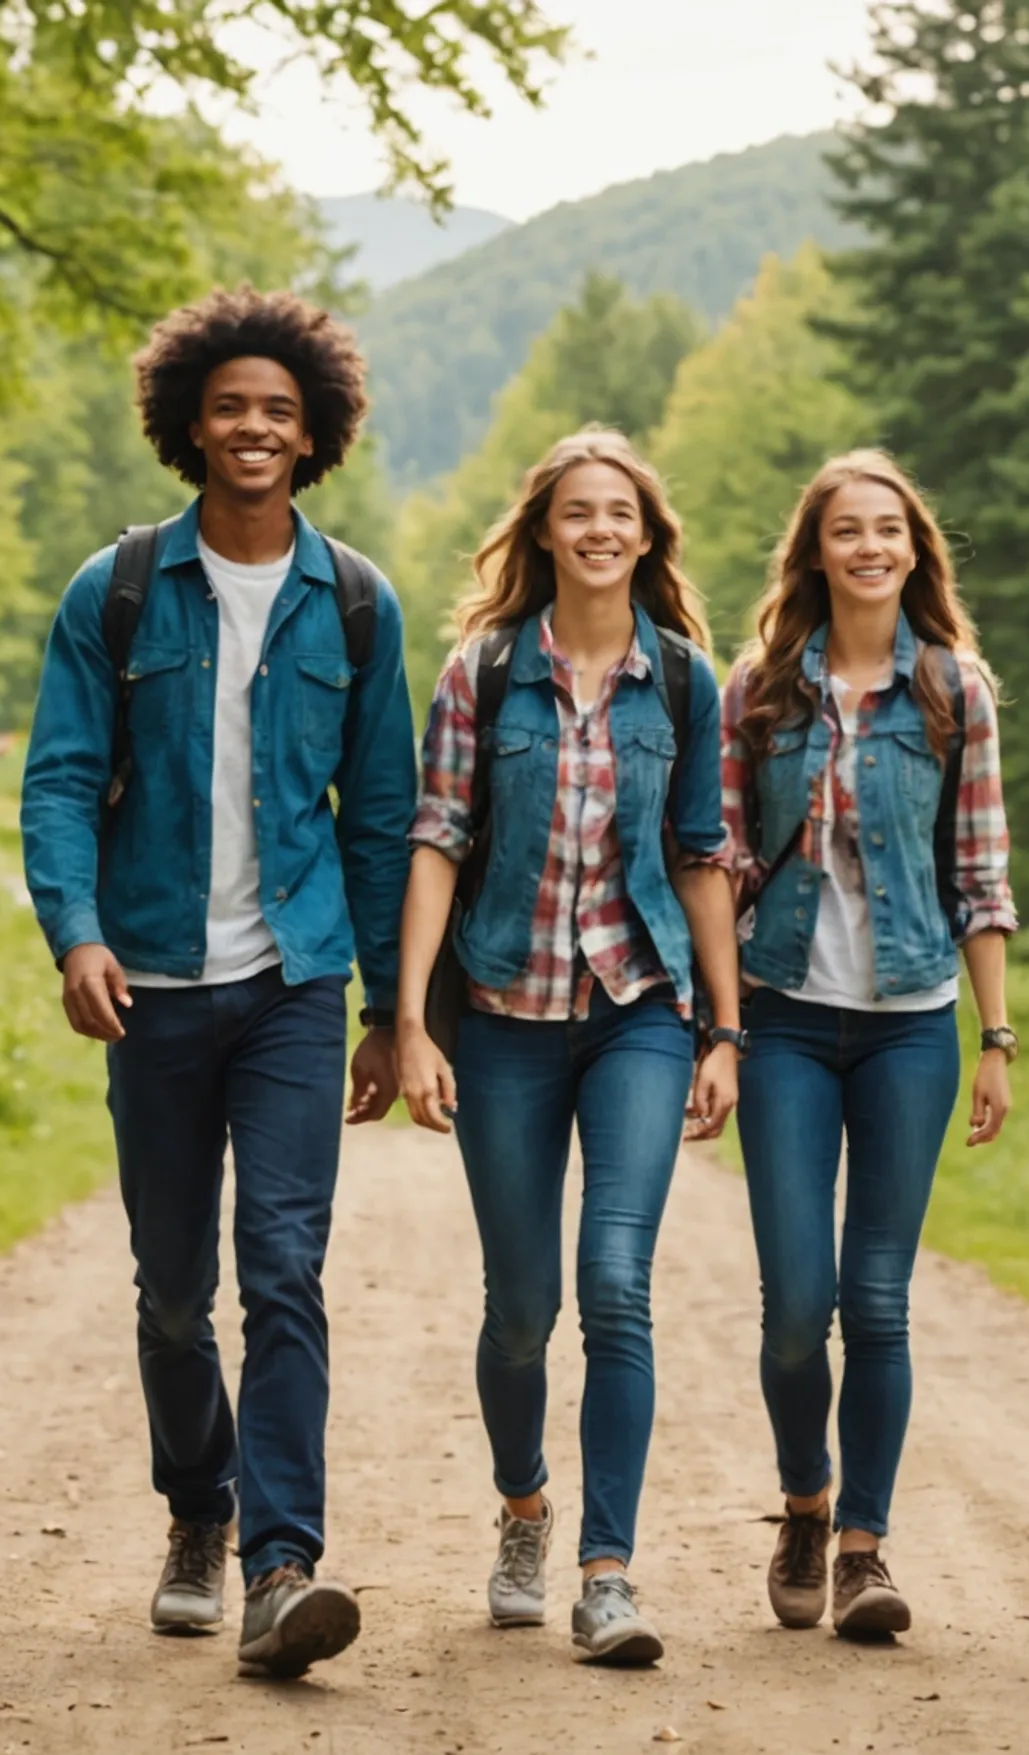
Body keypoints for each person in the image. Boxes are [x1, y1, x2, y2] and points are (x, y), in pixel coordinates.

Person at [17, 286, 414, 1677]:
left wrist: (389, 1009)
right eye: (233, 405)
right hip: (159, 984)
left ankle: (281, 1560)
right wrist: (74, 930)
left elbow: (380, 812)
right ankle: (198, 1507)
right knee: (175, 1290)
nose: (255, 428)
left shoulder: (356, 604)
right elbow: (62, 774)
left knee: (285, 1271)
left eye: (280, 412)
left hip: (295, 980)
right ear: (191, 422)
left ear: (316, 437)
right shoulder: (117, 588)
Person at [392, 427, 742, 1668]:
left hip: (637, 1014)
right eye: (577, 512)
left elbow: (702, 857)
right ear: (544, 531)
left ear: (647, 537)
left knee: (615, 1288)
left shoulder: (687, 684)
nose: (600, 529)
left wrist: (723, 1029)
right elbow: (435, 840)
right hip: (501, 1018)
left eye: (621, 514)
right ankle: (525, 1511)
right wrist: (407, 1018)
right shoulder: (482, 674)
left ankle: (608, 1571)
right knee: (519, 1309)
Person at [717, 451, 1018, 1641]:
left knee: (877, 1301)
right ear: (816, 552)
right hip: (784, 1012)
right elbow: (723, 863)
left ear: (914, 548)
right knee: (798, 1302)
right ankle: (804, 1501)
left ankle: (864, 1551)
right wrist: (720, 1029)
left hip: (909, 1026)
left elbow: (982, 876)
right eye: (848, 530)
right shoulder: (759, 692)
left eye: (890, 529)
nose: (871, 548)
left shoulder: (954, 691)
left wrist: (996, 1037)